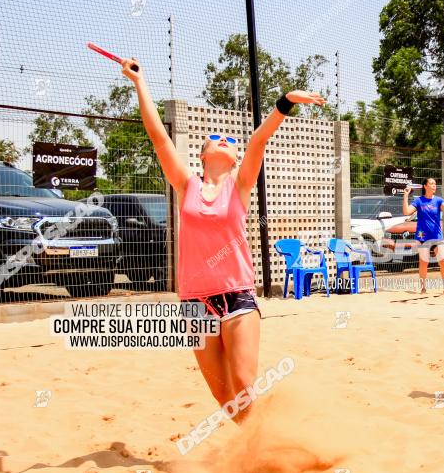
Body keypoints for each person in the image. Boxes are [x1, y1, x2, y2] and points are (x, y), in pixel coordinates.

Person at [122, 56, 324, 423]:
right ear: (202, 154)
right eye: (215, 137)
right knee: (222, 394)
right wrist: (139, 82)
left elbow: (260, 139)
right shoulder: (187, 186)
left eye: (230, 140)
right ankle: (253, 446)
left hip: (237, 296)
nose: (224, 140)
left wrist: (287, 101)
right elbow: (158, 136)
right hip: (194, 302)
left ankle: (264, 445)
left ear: (233, 159)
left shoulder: (240, 185)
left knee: (244, 383)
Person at [402, 177, 444, 295]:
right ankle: (423, 288)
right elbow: (406, 212)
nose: (434, 185)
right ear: (425, 186)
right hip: (422, 236)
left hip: (436, 236)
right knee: (424, 261)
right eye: (431, 183)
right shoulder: (419, 201)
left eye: (435, 183)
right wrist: (405, 196)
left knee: (443, 260)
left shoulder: (438, 200)